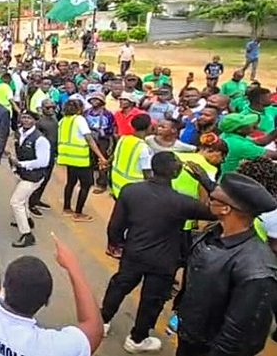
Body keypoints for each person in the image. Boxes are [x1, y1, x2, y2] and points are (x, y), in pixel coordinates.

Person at [101, 152, 215, 353]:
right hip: (164, 261)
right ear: (176, 172)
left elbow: (116, 224)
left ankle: (103, 321)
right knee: (152, 300)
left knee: (119, 285)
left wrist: (115, 244)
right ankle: (137, 339)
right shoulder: (182, 202)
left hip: (134, 252)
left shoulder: (131, 191)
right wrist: (205, 181)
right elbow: (219, 210)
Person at [174, 173, 277, 356]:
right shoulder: (213, 233)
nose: (208, 200)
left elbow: (238, 335)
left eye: (213, 198)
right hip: (190, 336)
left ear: (226, 209)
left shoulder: (256, 268)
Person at [0, 236, 102, 356]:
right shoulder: (50, 348)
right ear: (45, 302)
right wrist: (72, 266)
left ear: (4, 287)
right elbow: (94, 328)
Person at [56, 99, 108, 222]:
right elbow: (89, 139)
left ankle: (67, 208)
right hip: (80, 159)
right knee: (86, 184)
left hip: (67, 157)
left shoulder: (63, 121)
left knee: (70, 182)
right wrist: (101, 156)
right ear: (80, 109)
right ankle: (78, 213)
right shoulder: (79, 120)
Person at [7, 111, 50, 248]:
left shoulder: (40, 140)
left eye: (29, 118)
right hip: (23, 174)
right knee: (23, 199)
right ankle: (27, 219)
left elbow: (43, 162)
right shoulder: (20, 133)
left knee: (16, 202)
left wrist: (21, 164)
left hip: (33, 176)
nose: (25, 120)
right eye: (24, 117)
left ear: (35, 121)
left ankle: (27, 235)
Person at [111, 114, 154, 200]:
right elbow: (147, 175)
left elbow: (114, 156)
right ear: (149, 127)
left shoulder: (123, 139)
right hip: (133, 191)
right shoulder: (143, 148)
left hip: (116, 185)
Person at [29, 98, 58, 215]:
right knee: (39, 179)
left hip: (52, 153)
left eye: (53, 107)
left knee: (46, 179)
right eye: (48, 108)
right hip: (42, 155)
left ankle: (37, 200)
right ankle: (31, 203)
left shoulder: (54, 119)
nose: (51, 110)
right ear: (42, 108)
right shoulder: (39, 122)